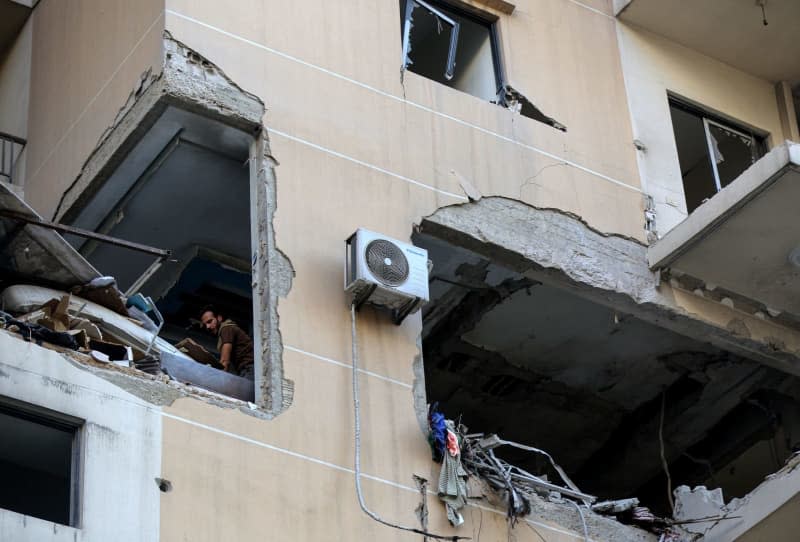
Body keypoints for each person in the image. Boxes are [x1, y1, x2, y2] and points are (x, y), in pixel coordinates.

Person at [199, 305, 254, 380]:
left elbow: (225, 361)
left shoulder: (226, 329)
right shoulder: (228, 328)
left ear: (219, 318)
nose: (207, 327)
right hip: (248, 369)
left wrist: (219, 382)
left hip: (249, 369)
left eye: (209, 321)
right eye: (205, 324)